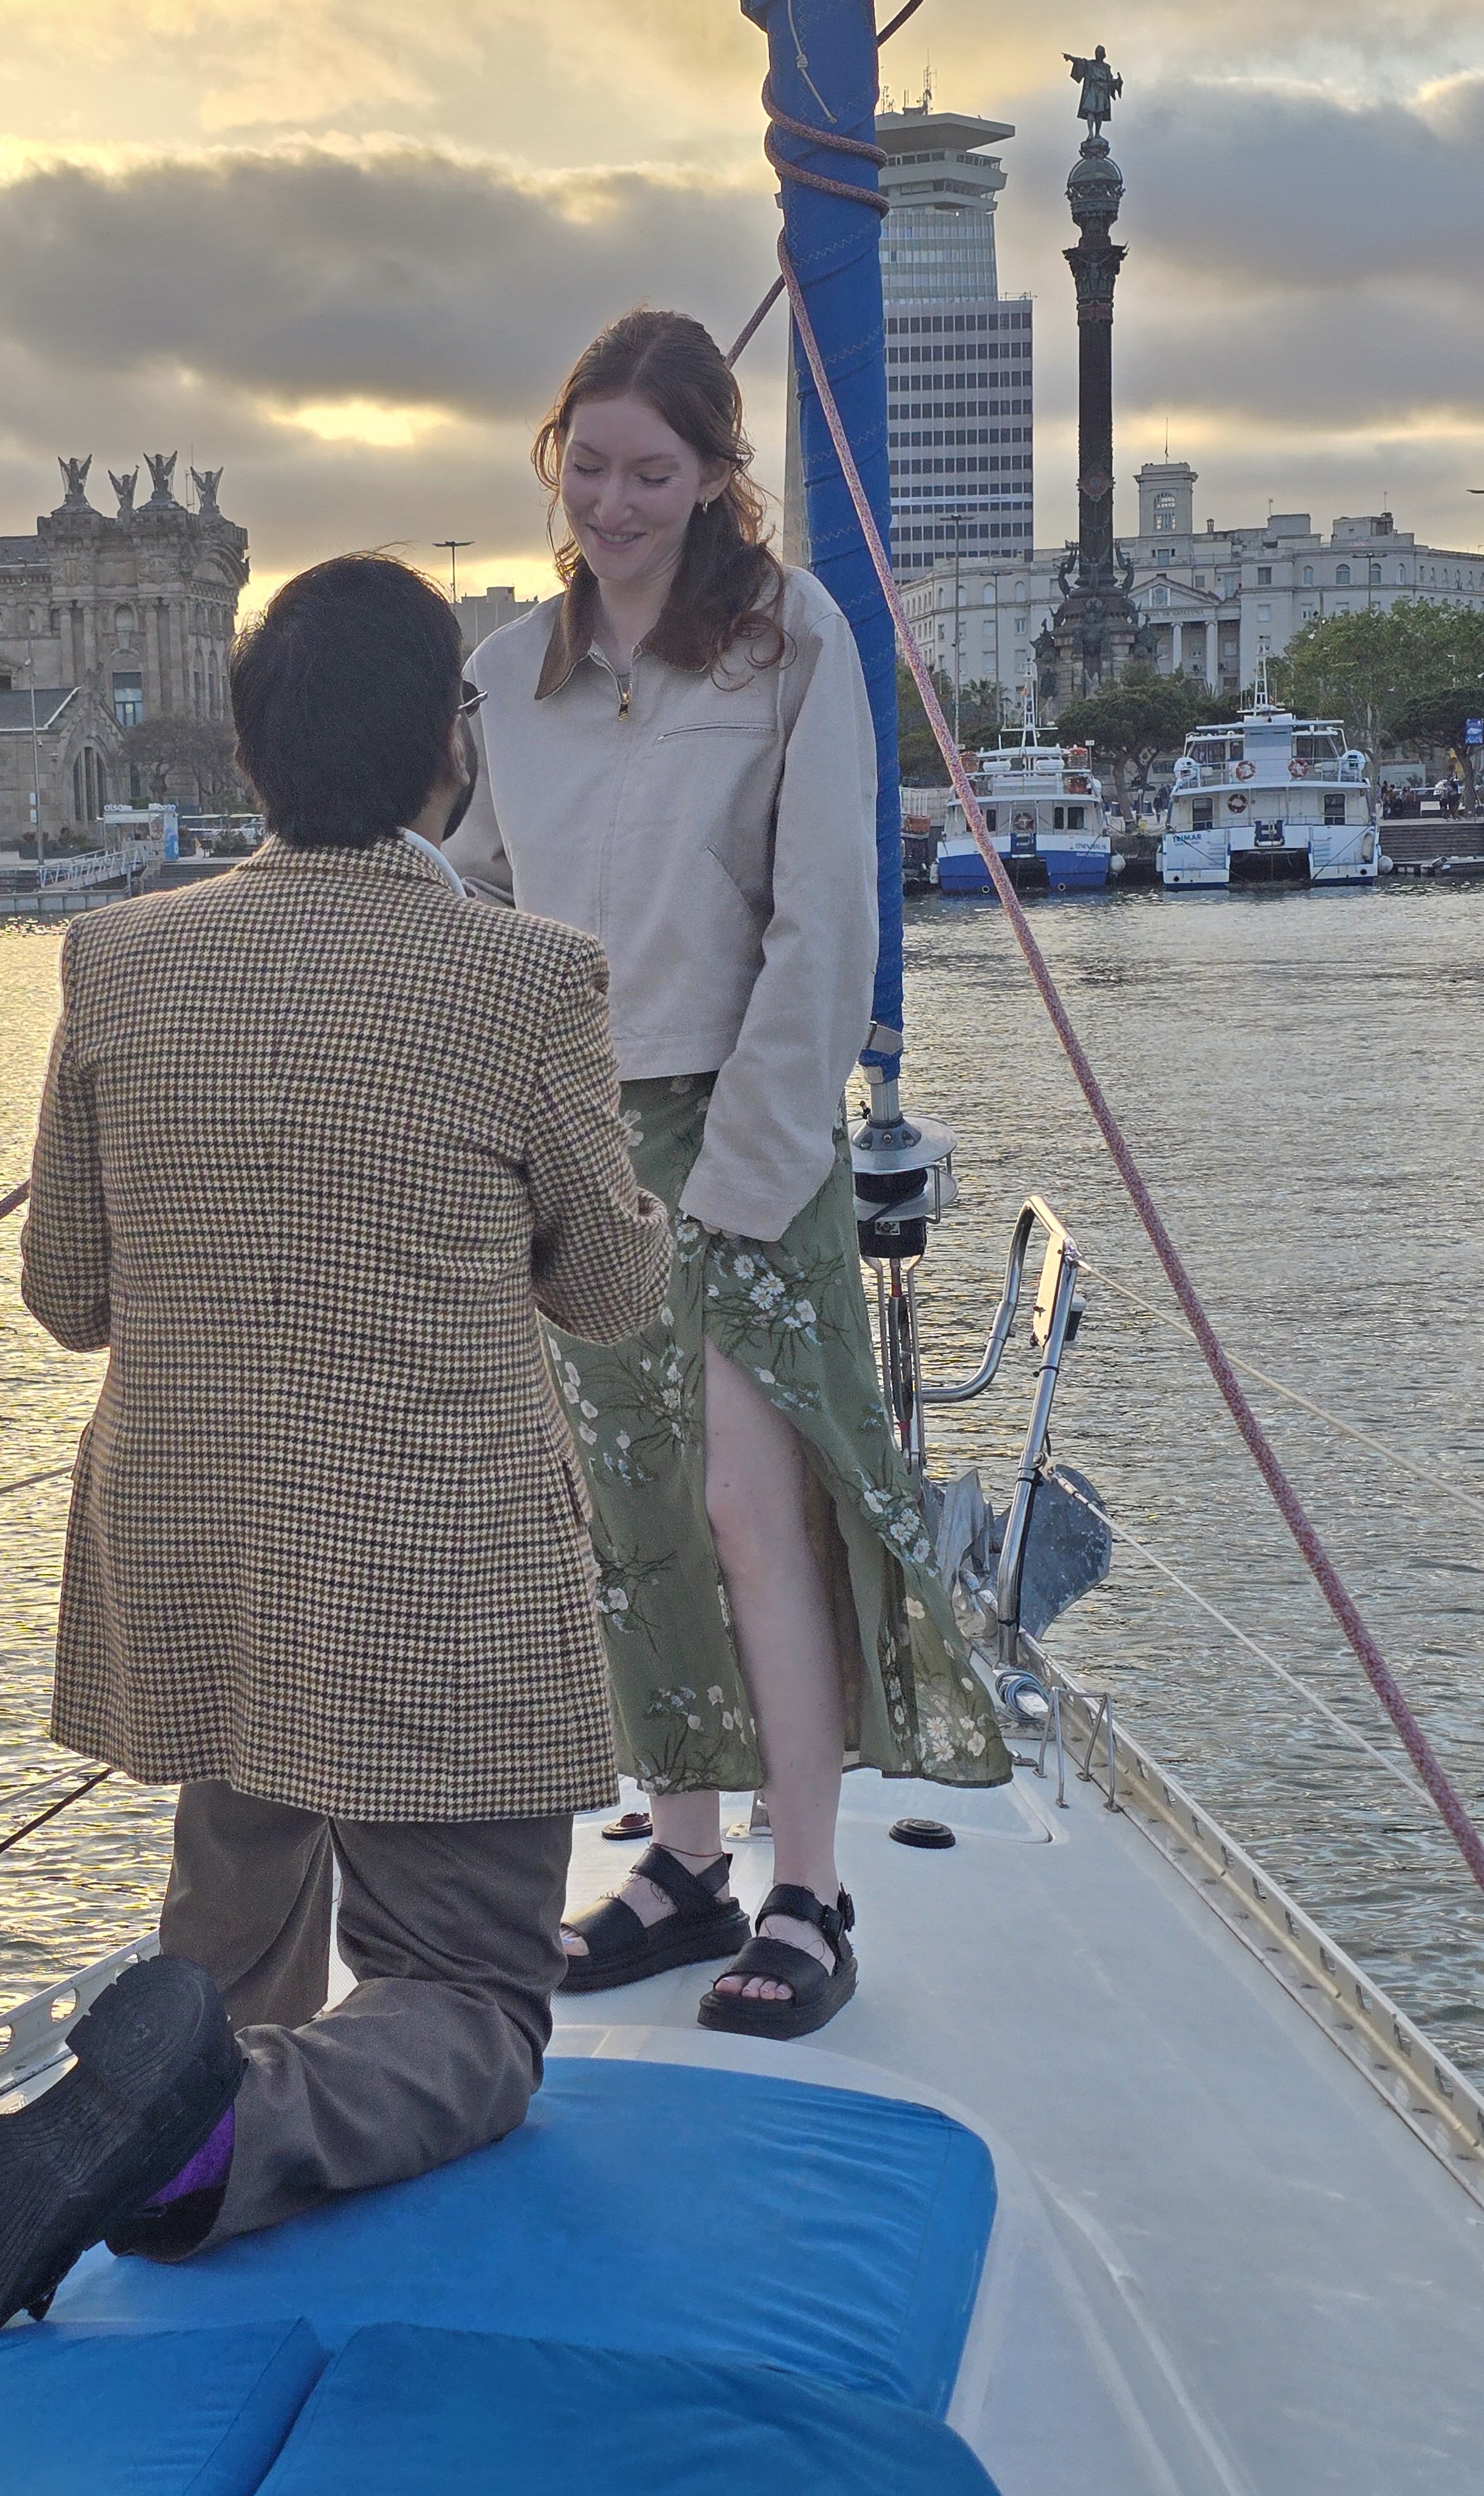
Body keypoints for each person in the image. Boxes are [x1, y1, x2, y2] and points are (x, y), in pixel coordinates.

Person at [0, 553, 670, 2334]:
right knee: (474, 2006)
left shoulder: (119, 956)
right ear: (448, 750)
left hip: (197, 1561)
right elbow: (617, 1288)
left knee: (232, 1948)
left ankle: (179, 2093)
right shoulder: (531, 980)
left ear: (251, 761)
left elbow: (67, 1292)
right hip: (437, 1584)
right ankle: (199, 2150)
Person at [448, 310, 1007, 2044]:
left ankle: (810, 1888)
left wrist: (749, 1178)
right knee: (625, 1520)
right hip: (575, 1135)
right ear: (559, 461)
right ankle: (683, 1862)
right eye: (590, 466)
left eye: (653, 472)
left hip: (741, 1128)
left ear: (714, 480)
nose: (614, 502)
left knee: (757, 1513)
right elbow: (461, 894)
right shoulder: (499, 675)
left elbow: (827, 913)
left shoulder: (788, 643)